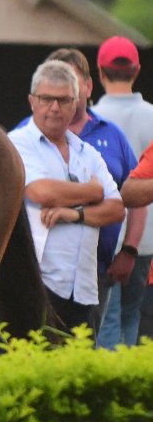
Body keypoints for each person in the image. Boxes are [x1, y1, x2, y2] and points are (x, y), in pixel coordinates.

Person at [15, 48, 144, 339]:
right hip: (36, 277)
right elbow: (41, 191)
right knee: (33, 354)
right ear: (33, 101)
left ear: (82, 93)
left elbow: (120, 205)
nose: (55, 107)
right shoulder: (21, 139)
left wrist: (74, 214)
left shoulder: (96, 145)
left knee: (85, 355)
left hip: (90, 276)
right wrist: (92, 191)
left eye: (64, 97)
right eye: (48, 97)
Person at [91, 36, 153, 348]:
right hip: (147, 240)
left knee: (106, 321)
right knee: (134, 319)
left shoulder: (91, 121)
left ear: (100, 72)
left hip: (105, 234)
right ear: (136, 71)